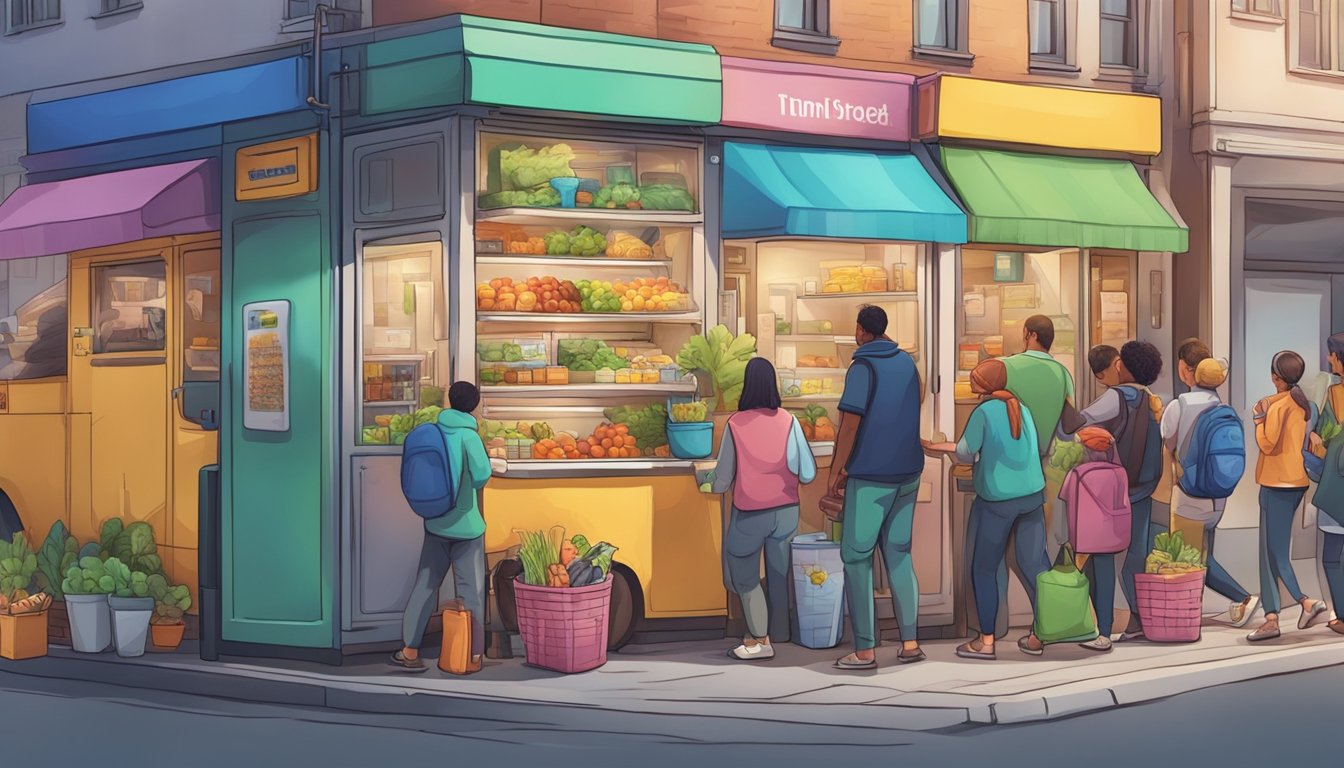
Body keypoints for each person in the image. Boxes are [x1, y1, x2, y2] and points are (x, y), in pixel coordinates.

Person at [830, 305, 925, 670]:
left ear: (860, 330)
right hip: (909, 472)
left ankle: (866, 649)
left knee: (856, 558)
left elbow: (849, 426)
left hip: (871, 476)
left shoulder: (862, 367)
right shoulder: (906, 363)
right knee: (899, 553)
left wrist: (836, 472)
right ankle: (910, 642)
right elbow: (915, 402)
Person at [709, 357, 817, 661]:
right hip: (786, 511)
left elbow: (722, 479)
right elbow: (807, 473)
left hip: (750, 513)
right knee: (778, 572)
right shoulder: (790, 421)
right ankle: (780, 632)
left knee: (744, 577)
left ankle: (759, 639)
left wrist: (710, 481)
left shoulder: (736, 424)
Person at [1058, 341, 1165, 646]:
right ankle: (1138, 621)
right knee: (1135, 559)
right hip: (1143, 489)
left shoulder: (1116, 397)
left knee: (1101, 556)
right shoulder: (1153, 400)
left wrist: (1060, 400)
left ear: (1123, 366)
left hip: (1113, 488)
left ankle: (1103, 632)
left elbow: (1074, 428)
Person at [953, 360, 1051, 661]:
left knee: (984, 567)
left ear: (980, 384)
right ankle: (1042, 633)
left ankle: (986, 641)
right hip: (1032, 495)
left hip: (997, 500)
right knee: (1035, 566)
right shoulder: (1022, 409)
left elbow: (964, 452)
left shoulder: (983, 412)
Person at [392, 381, 492, 673]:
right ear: (473, 405)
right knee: (471, 591)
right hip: (466, 526)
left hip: (435, 522)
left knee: (425, 586)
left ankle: (409, 651)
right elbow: (482, 474)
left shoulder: (434, 430)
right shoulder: (468, 436)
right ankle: (472, 657)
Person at [1162, 340, 1258, 627]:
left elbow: (1167, 444)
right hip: (1217, 498)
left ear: (1185, 369)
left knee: (1187, 561)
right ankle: (1237, 601)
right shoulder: (1223, 408)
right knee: (1203, 558)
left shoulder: (1179, 406)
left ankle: (1238, 600)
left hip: (1189, 496)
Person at [1249, 351, 1330, 641]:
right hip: (1296, 481)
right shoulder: (1305, 405)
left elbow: (1268, 444)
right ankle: (1271, 617)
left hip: (1275, 484)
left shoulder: (1273, 406)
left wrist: (1258, 422)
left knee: (1275, 551)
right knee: (1268, 551)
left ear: (1275, 376)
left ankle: (1306, 602)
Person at [1310, 333, 1344, 637]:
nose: (1328, 360)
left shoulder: (1334, 395)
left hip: (1337, 487)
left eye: (1331, 355)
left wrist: (1316, 441)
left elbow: (1320, 440)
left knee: (1332, 557)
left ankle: (1343, 617)